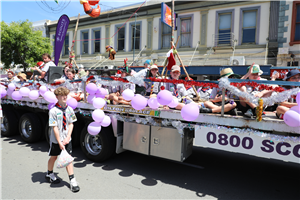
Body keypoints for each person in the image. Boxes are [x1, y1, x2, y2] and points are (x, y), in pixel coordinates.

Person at [47, 86, 80, 192]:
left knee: (68, 159)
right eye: (62, 95)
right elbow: (54, 127)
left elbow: (71, 124)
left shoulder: (70, 109)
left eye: (66, 95)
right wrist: (60, 141)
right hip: (56, 140)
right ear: (57, 97)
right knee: (53, 157)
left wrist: (68, 137)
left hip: (67, 139)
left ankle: (72, 180)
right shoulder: (53, 111)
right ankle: (49, 173)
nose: (65, 97)